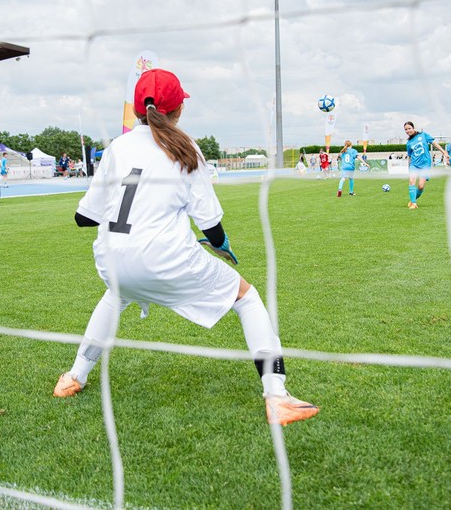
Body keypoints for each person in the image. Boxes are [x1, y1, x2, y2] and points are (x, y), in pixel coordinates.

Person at [53, 68, 319, 427]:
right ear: (178, 110)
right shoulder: (185, 147)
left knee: (115, 295)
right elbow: (209, 224)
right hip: (165, 258)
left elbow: (84, 218)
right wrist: (221, 245)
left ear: (135, 109)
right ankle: (277, 396)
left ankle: (73, 378)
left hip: (111, 258)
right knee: (247, 298)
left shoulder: (118, 147)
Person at [404, 121, 448, 209]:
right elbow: (409, 156)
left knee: (420, 186)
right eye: (406, 129)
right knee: (412, 181)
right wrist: (409, 168)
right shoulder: (409, 143)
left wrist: (444, 153)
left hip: (425, 165)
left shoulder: (423, 135)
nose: (408, 130)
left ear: (413, 128)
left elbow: (434, 143)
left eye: (409, 128)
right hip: (414, 165)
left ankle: (413, 200)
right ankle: (414, 204)